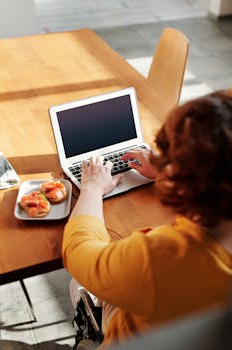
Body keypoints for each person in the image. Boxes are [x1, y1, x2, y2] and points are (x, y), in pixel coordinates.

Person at [62, 90, 232, 349]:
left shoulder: (162, 256)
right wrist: (170, 170)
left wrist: (93, 188)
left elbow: (77, 251)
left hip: (137, 336)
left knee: (79, 284)